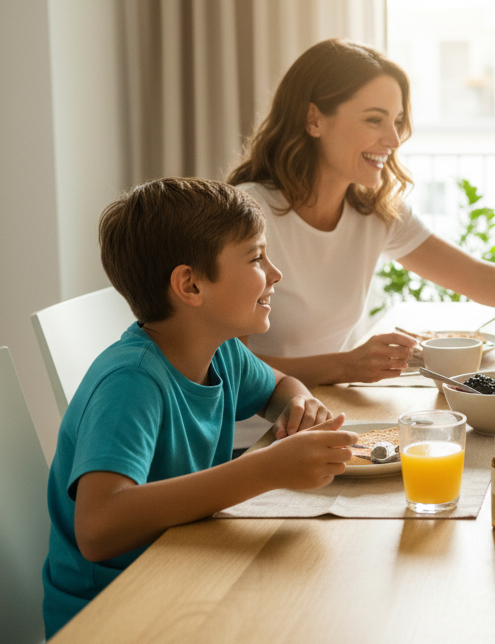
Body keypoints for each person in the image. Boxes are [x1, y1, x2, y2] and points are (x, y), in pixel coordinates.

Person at [228, 39, 495, 387]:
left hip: (321, 412)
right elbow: (226, 367)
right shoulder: (247, 214)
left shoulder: (374, 213)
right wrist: (344, 365)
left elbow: (481, 279)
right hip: (249, 435)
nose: (394, 140)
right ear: (313, 120)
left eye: (397, 121)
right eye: (374, 119)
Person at [42, 179, 356, 638]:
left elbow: (279, 387)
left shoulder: (221, 350)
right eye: (255, 258)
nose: (275, 273)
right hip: (111, 614)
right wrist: (264, 471)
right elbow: (98, 526)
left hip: (179, 570)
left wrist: (300, 404)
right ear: (190, 285)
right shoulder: (131, 382)